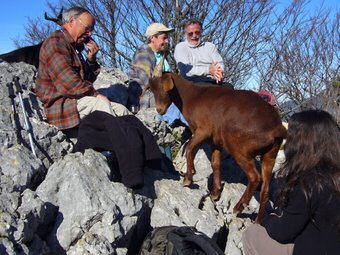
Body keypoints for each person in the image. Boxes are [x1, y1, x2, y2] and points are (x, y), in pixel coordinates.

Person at [242, 109, 340, 255]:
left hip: (317, 249)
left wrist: (267, 219)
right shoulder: (333, 175)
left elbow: (282, 232)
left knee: (252, 234)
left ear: (300, 143)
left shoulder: (309, 182)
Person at [36, 6, 129, 132]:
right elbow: (70, 84)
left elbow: (86, 81)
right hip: (61, 106)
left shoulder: (74, 47)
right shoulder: (56, 43)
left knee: (122, 111)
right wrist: (96, 94)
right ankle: (115, 147)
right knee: (101, 104)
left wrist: (91, 60)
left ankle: (138, 145)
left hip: (77, 100)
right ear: (72, 21)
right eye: (87, 28)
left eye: (91, 30)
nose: (90, 33)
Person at [127, 22, 174, 111]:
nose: (167, 41)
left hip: (160, 93)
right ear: (152, 38)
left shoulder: (162, 54)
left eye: (167, 38)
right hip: (147, 98)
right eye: (164, 38)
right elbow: (149, 83)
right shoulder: (142, 55)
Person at [174, 20, 225, 85]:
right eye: (190, 33)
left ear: (201, 32)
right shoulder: (181, 47)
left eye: (197, 32)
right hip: (191, 83)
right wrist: (208, 70)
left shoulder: (210, 46)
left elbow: (219, 63)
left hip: (212, 80)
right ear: (186, 34)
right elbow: (186, 70)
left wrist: (218, 72)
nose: (194, 36)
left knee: (229, 88)